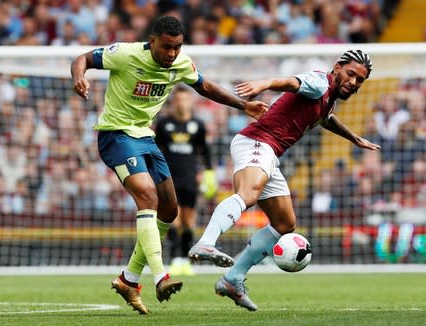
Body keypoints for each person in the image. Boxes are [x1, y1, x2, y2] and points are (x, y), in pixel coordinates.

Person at [70, 16, 267, 315]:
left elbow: (206, 87)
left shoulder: (180, 64)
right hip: (117, 135)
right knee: (147, 197)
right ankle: (161, 275)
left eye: (177, 47)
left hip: (146, 138)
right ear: (152, 42)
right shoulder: (125, 54)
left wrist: (244, 105)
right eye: (166, 47)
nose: (171, 54)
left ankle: (128, 279)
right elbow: (82, 58)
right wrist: (79, 77)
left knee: (169, 210)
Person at [188, 49, 381, 311]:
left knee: (284, 223)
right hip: (256, 142)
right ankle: (207, 243)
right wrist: (264, 83)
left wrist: (353, 137)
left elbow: (326, 118)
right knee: (248, 195)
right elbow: (293, 82)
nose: (353, 83)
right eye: (351, 74)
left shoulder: (328, 99)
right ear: (337, 67)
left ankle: (233, 278)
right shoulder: (319, 82)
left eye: (360, 80)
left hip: (271, 153)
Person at [155, 85, 217, 276]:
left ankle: (186, 260)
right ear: (173, 101)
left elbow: (204, 151)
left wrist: (209, 173)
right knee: (173, 219)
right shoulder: (164, 124)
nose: (182, 103)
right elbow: (156, 150)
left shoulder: (197, 125)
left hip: (190, 178)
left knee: (189, 222)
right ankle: (175, 260)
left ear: (191, 101)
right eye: (179, 99)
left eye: (185, 99)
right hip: (169, 178)